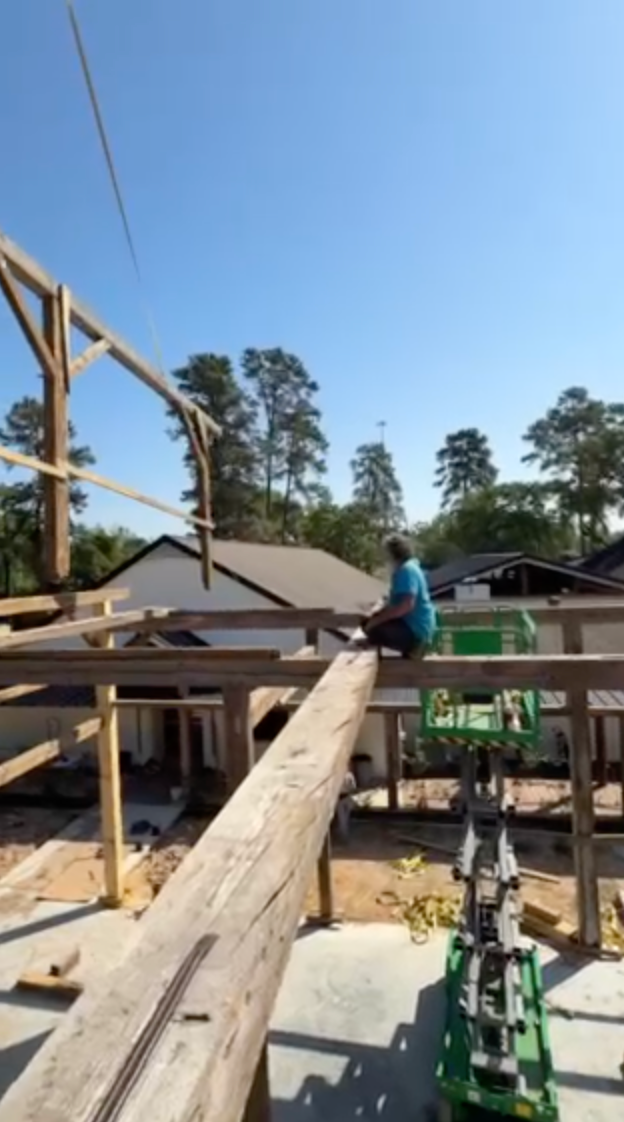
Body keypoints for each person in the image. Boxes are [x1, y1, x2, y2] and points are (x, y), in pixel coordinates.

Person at [362, 534, 436, 658]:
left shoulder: (406, 570)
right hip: (412, 628)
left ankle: (414, 650)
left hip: (416, 633)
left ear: (393, 553)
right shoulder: (409, 568)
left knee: (374, 630)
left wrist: (375, 621)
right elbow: (394, 604)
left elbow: (406, 606)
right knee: (367, 623)